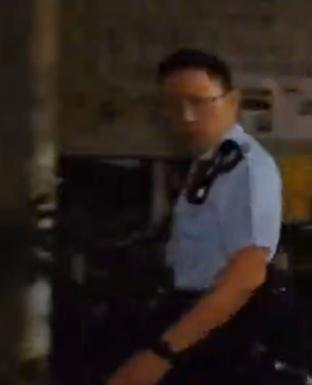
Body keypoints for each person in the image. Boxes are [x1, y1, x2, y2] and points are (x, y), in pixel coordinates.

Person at [108, 49, 282, 385]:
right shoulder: (208, 163)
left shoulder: (247, 169)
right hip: (192, 319)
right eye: (173, 105)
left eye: (199, 102)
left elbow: (246, 275)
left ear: (232, 102)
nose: (186, 117)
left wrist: (163, 354)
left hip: (222, 333)